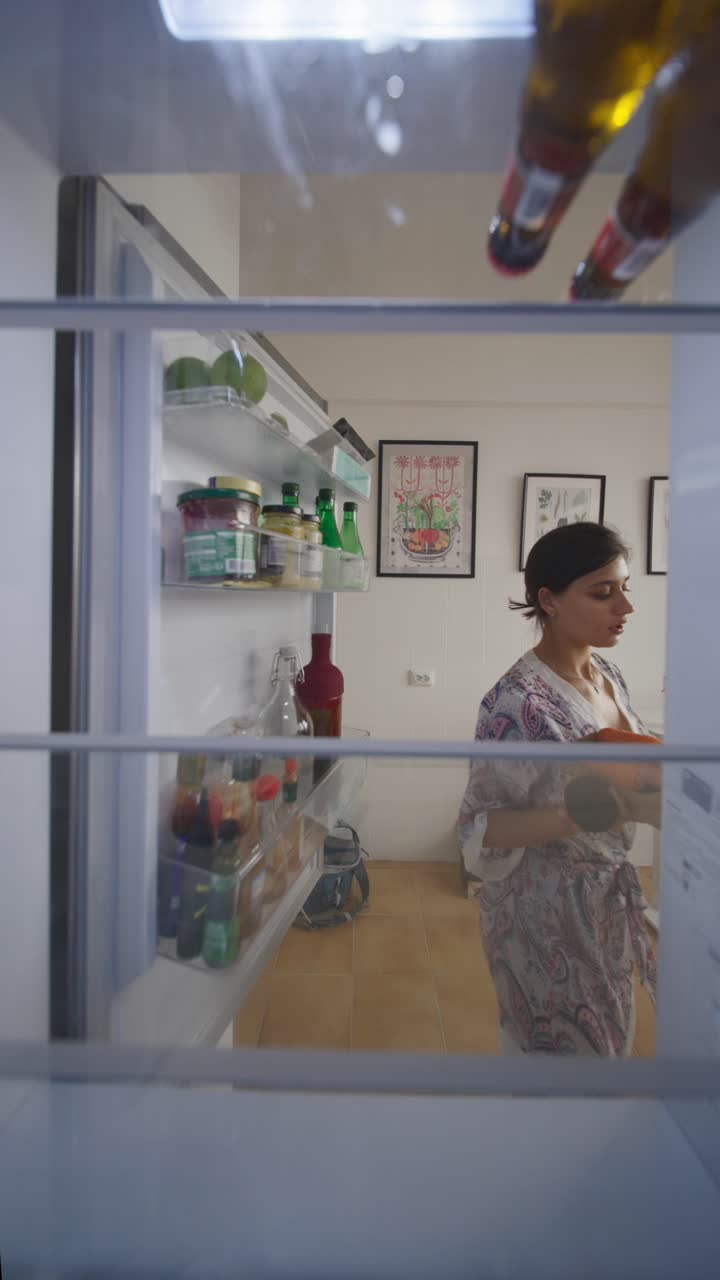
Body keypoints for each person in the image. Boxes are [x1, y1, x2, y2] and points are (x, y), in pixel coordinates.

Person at [458, 522, 658, 1056]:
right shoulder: (516, 704)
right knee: (562, 1072)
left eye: (624, 588)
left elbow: (630, 763)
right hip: (543, 919)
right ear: (548, 600)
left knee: (608, 1051)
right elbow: (481, 829)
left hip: (606, 902)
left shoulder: (607, 673)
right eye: (603, 592)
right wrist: (579, 813)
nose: (625, 608)